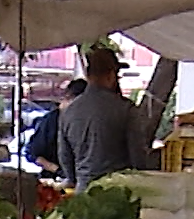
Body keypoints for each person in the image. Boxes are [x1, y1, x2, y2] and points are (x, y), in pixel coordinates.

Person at [58, 46, 146, 188]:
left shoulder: (68, 111)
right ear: (111, 75)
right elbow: (138, 159)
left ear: (88, 76)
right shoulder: (126, 109)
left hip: (84, 190)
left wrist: (76, 179)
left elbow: (65, 157)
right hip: (118, 190)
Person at [26, 78, 87, 174]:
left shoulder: (87, 121)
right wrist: (58, 170)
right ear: (68, 98)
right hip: (54, 177)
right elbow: (34, 154)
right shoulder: (51, 120)